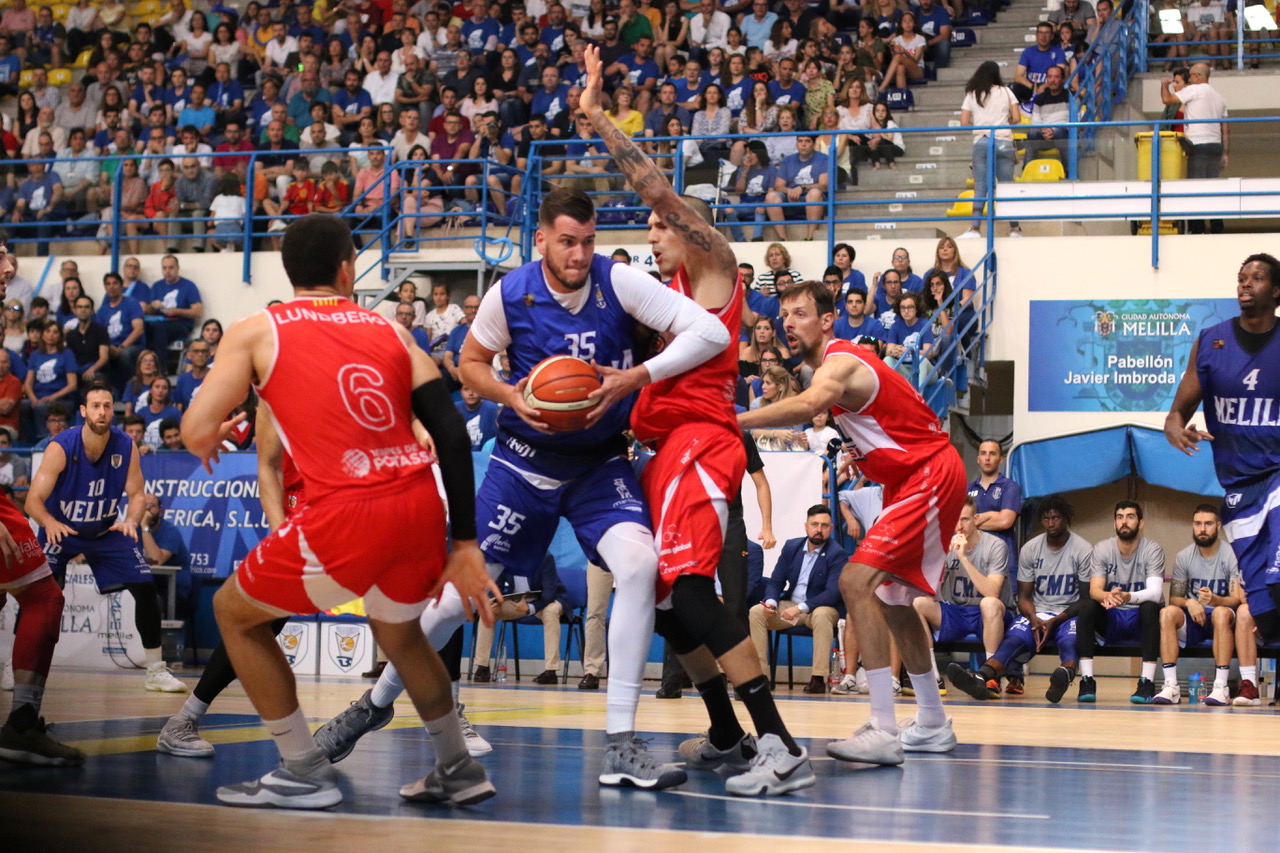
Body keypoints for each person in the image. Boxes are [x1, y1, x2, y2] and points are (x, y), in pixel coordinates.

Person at [313, 183, 724, 790]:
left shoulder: (618, 282)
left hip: (597, 464)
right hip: (523, 462)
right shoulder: (512, 291)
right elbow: (471, 361)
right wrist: (512, 395)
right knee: (456, 602)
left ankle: (620, 742)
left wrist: (631, 377)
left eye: (587, 242)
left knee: (640, 565)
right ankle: (373, 704)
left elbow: (709, 333)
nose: (579, 255)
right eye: (566, 242)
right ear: (541, 240)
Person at [181, 214, 498, 809]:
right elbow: (452, 435)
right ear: (348, 270)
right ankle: (457, 767)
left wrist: (208, 434)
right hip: (421, 506)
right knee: (400, 634)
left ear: (286, 270)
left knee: (233, 612)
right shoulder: (392, 330)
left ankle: (302, 768)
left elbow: (196, 430)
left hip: (351, 511)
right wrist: (465, 543)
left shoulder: (256, 330)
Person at [581, 44, 813, 796]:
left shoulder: (713, 266)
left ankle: (778, 743)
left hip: (700, 444)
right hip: (664, 451)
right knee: (663, 605)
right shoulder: (665, 290)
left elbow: (651, 179)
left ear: (688, 227)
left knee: (688, 597)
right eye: (648, 226)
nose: (652, 231)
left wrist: (595, 116)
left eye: (661, 224)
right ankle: (723, 732)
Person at [739, 282, 964, 765]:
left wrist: (736, 420)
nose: (788, 322)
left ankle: (882, 728)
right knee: (893, 596)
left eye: (800, 313)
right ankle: (932, 722)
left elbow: (805, 406)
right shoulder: (832, 366)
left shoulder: (841, 360)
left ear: (827, 319)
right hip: (909, 477)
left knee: (854, 579)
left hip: (928, 472)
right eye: (784, 314)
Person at [25, 380, 186, 694]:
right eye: (96, 406)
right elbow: (32, 500)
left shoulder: (125, 446)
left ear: (114, 410)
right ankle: (18, 668)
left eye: (107, 406)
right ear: (83, 411)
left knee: (145, 587)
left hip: (105, 531)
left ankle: (155, 670)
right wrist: (48, 522)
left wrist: (132, 520)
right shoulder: (60, 447)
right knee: (42, 596)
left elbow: (137, 493)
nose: (102, 411)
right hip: (63, 530)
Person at [1166, 253, 1280, 679]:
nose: (1245, 284)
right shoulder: (1212, 340)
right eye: (1241, 277)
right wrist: (1175, 428)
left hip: (1278, 476)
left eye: (1257, 278)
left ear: (1276, 291)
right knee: (1266, 614)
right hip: (1238, 488)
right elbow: (1177, 412)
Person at [947, 493, 1092, 704]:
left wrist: (1056, 620)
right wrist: (1033, 617)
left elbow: (1085, 599)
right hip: (1037, 612)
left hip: (1067, 613)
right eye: (1046, 518)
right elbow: (1023, 596)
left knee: (1070, 639)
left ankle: (1064, 675)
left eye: (1056, 518)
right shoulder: (1031, 548)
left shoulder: (1083, 549)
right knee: (1014, 638)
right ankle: (982, 677)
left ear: (1066, 518)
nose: (1051, 523)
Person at [1154, 504, 1256, 706]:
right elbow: (1175, 597)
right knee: (1167, 613)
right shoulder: (1184, 556)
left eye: (1208, 524)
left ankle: (1221, 687)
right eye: (1198, 524)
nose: (1202, 529)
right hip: (1195, 619)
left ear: (1218, 526)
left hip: (1225, 619)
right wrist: (1190, 602)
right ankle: (1171, 685)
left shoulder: (1231, 554)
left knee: (1219, 613)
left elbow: (1236, 598)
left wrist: (1215, 600)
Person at [913, 498, 1009, 696]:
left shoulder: (996, 546)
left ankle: (990, 677)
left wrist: (963, 557)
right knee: (918, 603)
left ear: (975, 519)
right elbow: (930, 591)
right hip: (956, 611)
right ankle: (932, 677)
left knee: (989, 603)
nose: (959, 526)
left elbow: (992, 592)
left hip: (986, 613)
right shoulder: (944, 544)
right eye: (955, 520)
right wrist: (942, 562)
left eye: (964, 519)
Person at [748, 505, 845, 694]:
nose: (819, 529)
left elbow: (832, 593)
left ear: (831, 529)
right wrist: (771, 603)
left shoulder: (837, 553)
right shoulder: (792, 547)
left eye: (824, 525)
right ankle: (761, 677)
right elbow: (775, 582)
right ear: (806, 526)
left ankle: (818, 678)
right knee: (756, 612)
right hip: (790, 607)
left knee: (822, 615)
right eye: (814, 524)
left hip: (820, 608)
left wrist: (800, 608)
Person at [1076, 501, 1166, 704]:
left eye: (1130, 516)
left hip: (1140, 617)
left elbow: (1155, 592)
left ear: (1141, 523)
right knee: (1088, 606)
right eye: (1119, 517)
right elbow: (1095, 590)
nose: (1124, 522)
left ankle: (1147, 682)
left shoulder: (1152, 549)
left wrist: (1128, 597)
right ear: (1114, 522)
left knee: (1152, 607)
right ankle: (1087, 680)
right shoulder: (1102, 548)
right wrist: (1107, 596)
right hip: (1113, 615)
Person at [472, 555, 570, 685]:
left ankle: (551, 671)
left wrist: (529, 608)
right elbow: (497, 586)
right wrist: (494, 601)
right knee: (488, 612)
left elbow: (548, 595)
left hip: (545, 602)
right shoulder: (505, 557)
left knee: (551, 612)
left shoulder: (545, 557)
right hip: (517, 602)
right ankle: (482, 666)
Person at [1159, 63, 1228, 234]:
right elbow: (1225, 127)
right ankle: (1217, 228)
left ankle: (1197, 230)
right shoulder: (1219, 97)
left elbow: (1167, 100)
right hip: (1215, 146)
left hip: (1198, 145)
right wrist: (1225, 153)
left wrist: (1163, 84)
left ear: (1197, 76)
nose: (1189, 79)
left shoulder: (1195, 90)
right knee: (1213, 189)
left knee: (1195, 188)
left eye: (1190, 76)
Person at [959, 61, 1021, 240]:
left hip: (981, 141)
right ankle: (1015, 229)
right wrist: (1003, 121)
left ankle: (975, 229)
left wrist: (979, 126)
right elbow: (1016, 118)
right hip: (1003, 140)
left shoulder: (972, 94)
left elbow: (964, 122)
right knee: (1006, 187)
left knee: (980, 187)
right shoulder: (1006, 91)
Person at [147, 255, 204, 357]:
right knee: (143, 328)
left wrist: (176, 311)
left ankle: (161, 368)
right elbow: (150, 311)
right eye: (164, 268)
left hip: (181, 324)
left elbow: (198, 312)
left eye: (171, 267)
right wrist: (153, 306)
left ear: (177, 268)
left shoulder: (189, 286)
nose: (167, 271)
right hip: (160, 321)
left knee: (159, 329)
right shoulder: (157, 286)